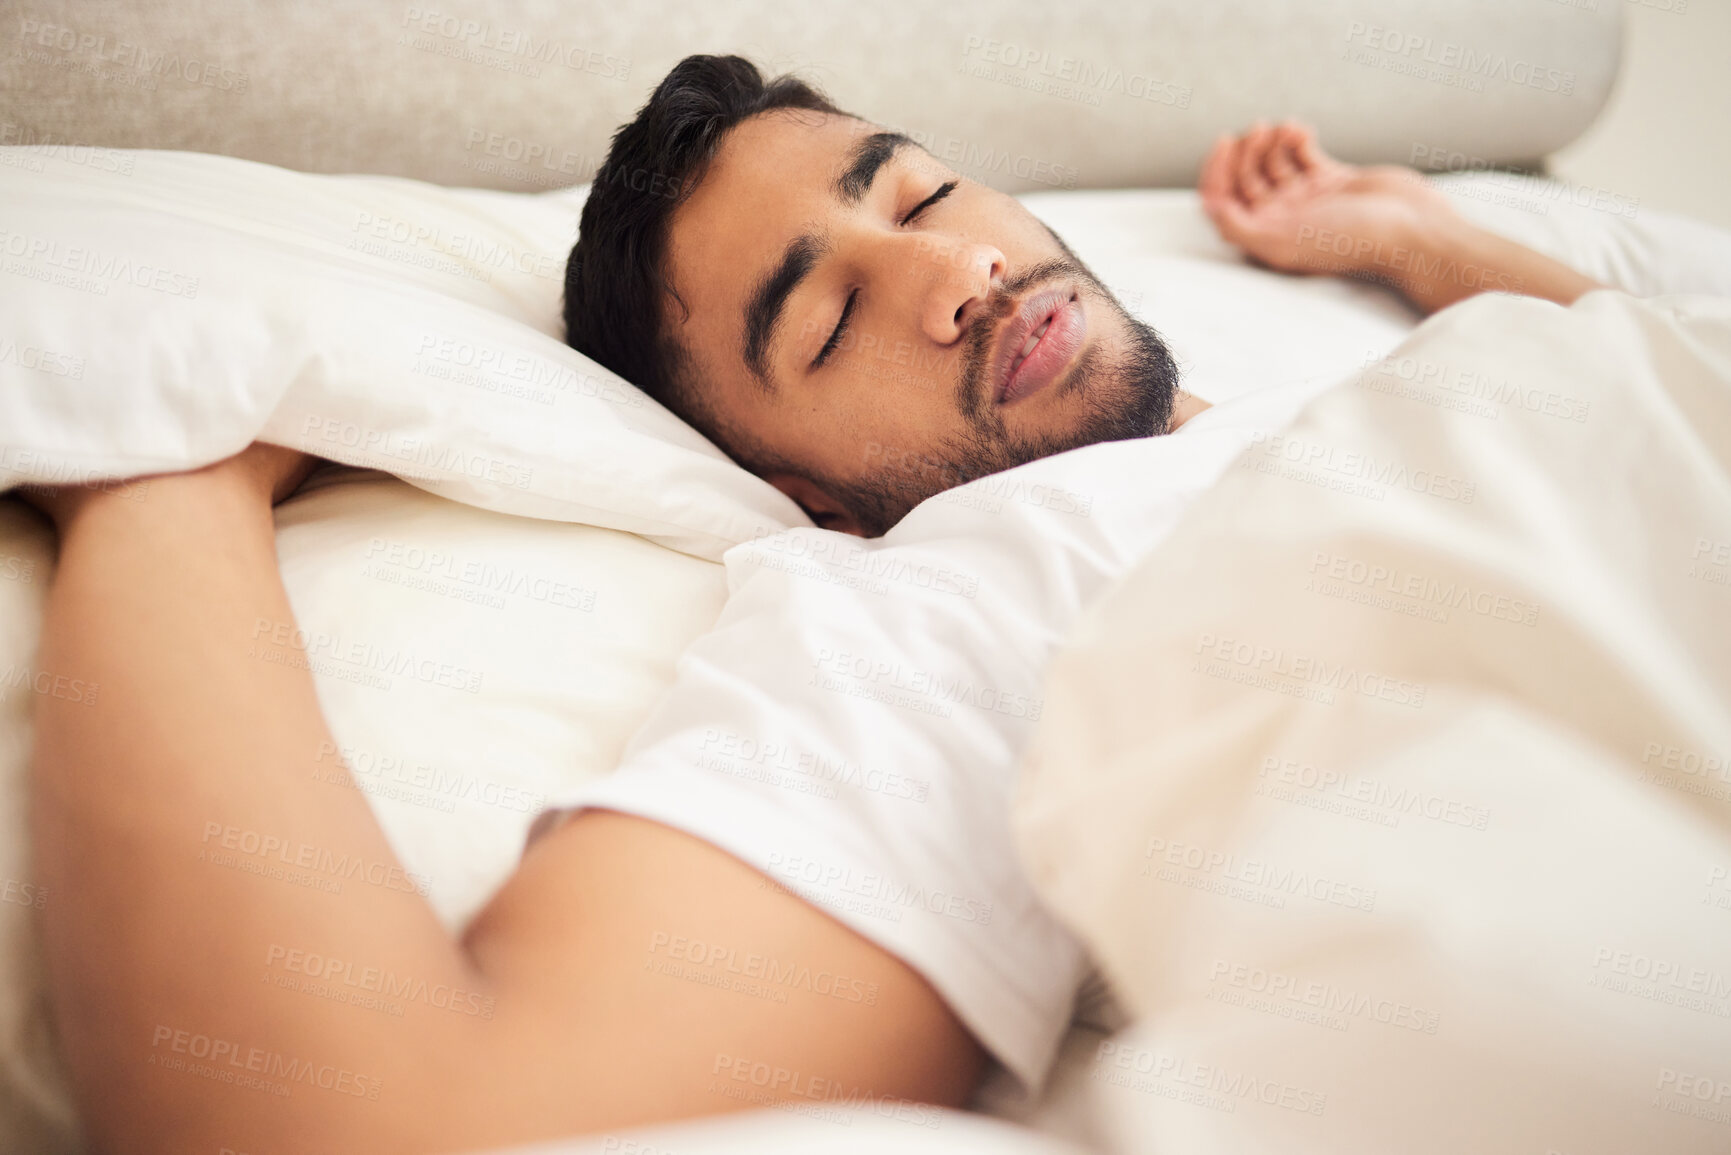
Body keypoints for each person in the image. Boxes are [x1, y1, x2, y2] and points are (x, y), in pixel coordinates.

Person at [15, 54, 1607, 1155]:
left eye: (919, 200)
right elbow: (393, 1120)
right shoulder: (973, 590)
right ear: (809, 492)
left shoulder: (1387, 370)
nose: (953, 278)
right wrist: (166, 474)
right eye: (834, 318)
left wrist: (1420, 236)